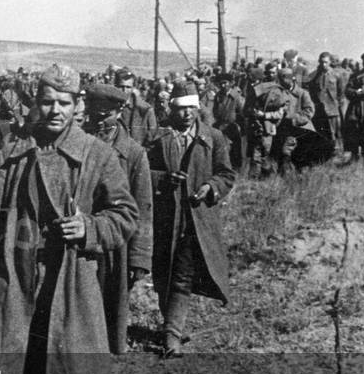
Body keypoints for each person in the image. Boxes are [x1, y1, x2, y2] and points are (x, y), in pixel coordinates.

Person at [0, 65, 138, 374]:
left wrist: (89, 228)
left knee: (51, 366)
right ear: (35, 104)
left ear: (77, 106)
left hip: (66, 280)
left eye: (64, 103)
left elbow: (125, 215)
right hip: (13, 277)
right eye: (47, 102)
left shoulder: (98, 155)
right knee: (5, 360)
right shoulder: (12, 153)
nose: (55, 110)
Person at [146, 82, 236, 357]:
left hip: (198, 218)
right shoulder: (159, 139)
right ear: (171, 109)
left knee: (182, 274)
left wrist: (210, 187)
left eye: (190, 108)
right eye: (180, 108)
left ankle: (171, 334)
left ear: (198, 108)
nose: (186, 114)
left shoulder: (214, 138)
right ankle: (171, 323)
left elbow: (227, 175)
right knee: (164, 271)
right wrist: (162, 179)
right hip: (166, 217)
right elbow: (141, 173)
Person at [83, 83, 153, 354]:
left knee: (111, 309)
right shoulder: (78, 143)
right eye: (95, 115)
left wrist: (139, 257)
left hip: (117, 247)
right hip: (82, 238)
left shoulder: (134, 154)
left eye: (106, 115)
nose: (100, 121)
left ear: (119, 112)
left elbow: (143, 208)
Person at [305, 52, 346, 155]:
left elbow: (341, 93)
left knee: (335, 133)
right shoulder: (313, 75)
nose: (324, 65)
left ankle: (338, 152)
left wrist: (338, 106)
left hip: (332, 109)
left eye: (326, 62)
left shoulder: (337, 75)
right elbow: (310, 91)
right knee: (321, 133)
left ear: (330, 62)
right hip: (319, 110)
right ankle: (324, 154)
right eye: (321, 62)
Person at [210, 73, 245, 170]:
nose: (222, 85)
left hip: (233, 127)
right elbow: (215, 111)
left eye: (225, 83)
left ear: (231, 83)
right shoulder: (218, 96)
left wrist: (237, 125)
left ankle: (236, 170)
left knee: (235, 150)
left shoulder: (236, 97)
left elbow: (243, 112)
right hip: (221, 126)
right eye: (220, 83)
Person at [116, 71, 159, 146]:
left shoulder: (145, 110)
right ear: (115, 86)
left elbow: (152, 140)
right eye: (121, 86)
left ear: (133, 88)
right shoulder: (108, 107)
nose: (124, 91)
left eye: (128, 87)